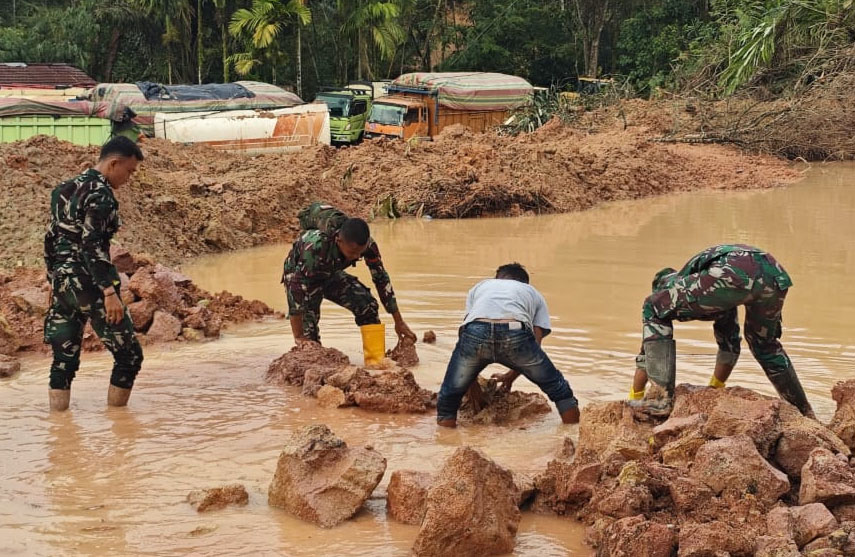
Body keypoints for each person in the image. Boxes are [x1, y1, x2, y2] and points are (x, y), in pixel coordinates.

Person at [629, 244, 815, 418]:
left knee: (651, 307)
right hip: (775, 274)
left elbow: (650, 344)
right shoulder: (715, 297)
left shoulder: (676, 283)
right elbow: (730, 346)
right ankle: (804, 413)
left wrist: (635, 396)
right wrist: (714, 389)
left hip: (731, 271)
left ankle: (660, 401)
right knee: (764, 346)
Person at [44, 136, 145, 411]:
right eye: (130, 171)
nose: (129, 178)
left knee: (63, 359)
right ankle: (120, 434)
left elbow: (51, 237)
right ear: (114, 163)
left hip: (62, 282)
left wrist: (52, 279)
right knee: (129, 356)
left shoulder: (63, 189)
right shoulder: (101, 195)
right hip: (90, 283)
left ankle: (59, 432)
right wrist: (109, 290)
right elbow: (92, 245)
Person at [436, 263, 580, 428]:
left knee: (448, 398)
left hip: (476, 331)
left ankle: (446, 441)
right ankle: (573, 436)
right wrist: (510, 378)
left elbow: (465, 331)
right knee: (559, 390)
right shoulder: (532, 293)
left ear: (497, 278)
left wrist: (471, 384)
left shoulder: (481, 286)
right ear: (525, 283)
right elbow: (535, 344)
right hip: (515, 330)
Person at [281, 202, 416, 362]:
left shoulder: (368, 246)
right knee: (310, 344)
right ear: (338, 240)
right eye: (352, 253)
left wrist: (398, 322)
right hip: (304, 274)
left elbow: (381, 279)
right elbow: (296, 287)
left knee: (367, 304)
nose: (356, 257)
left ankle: (376, 362)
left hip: (330, 272)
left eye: (360, 252)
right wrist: (299, 336)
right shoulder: (316, 247)